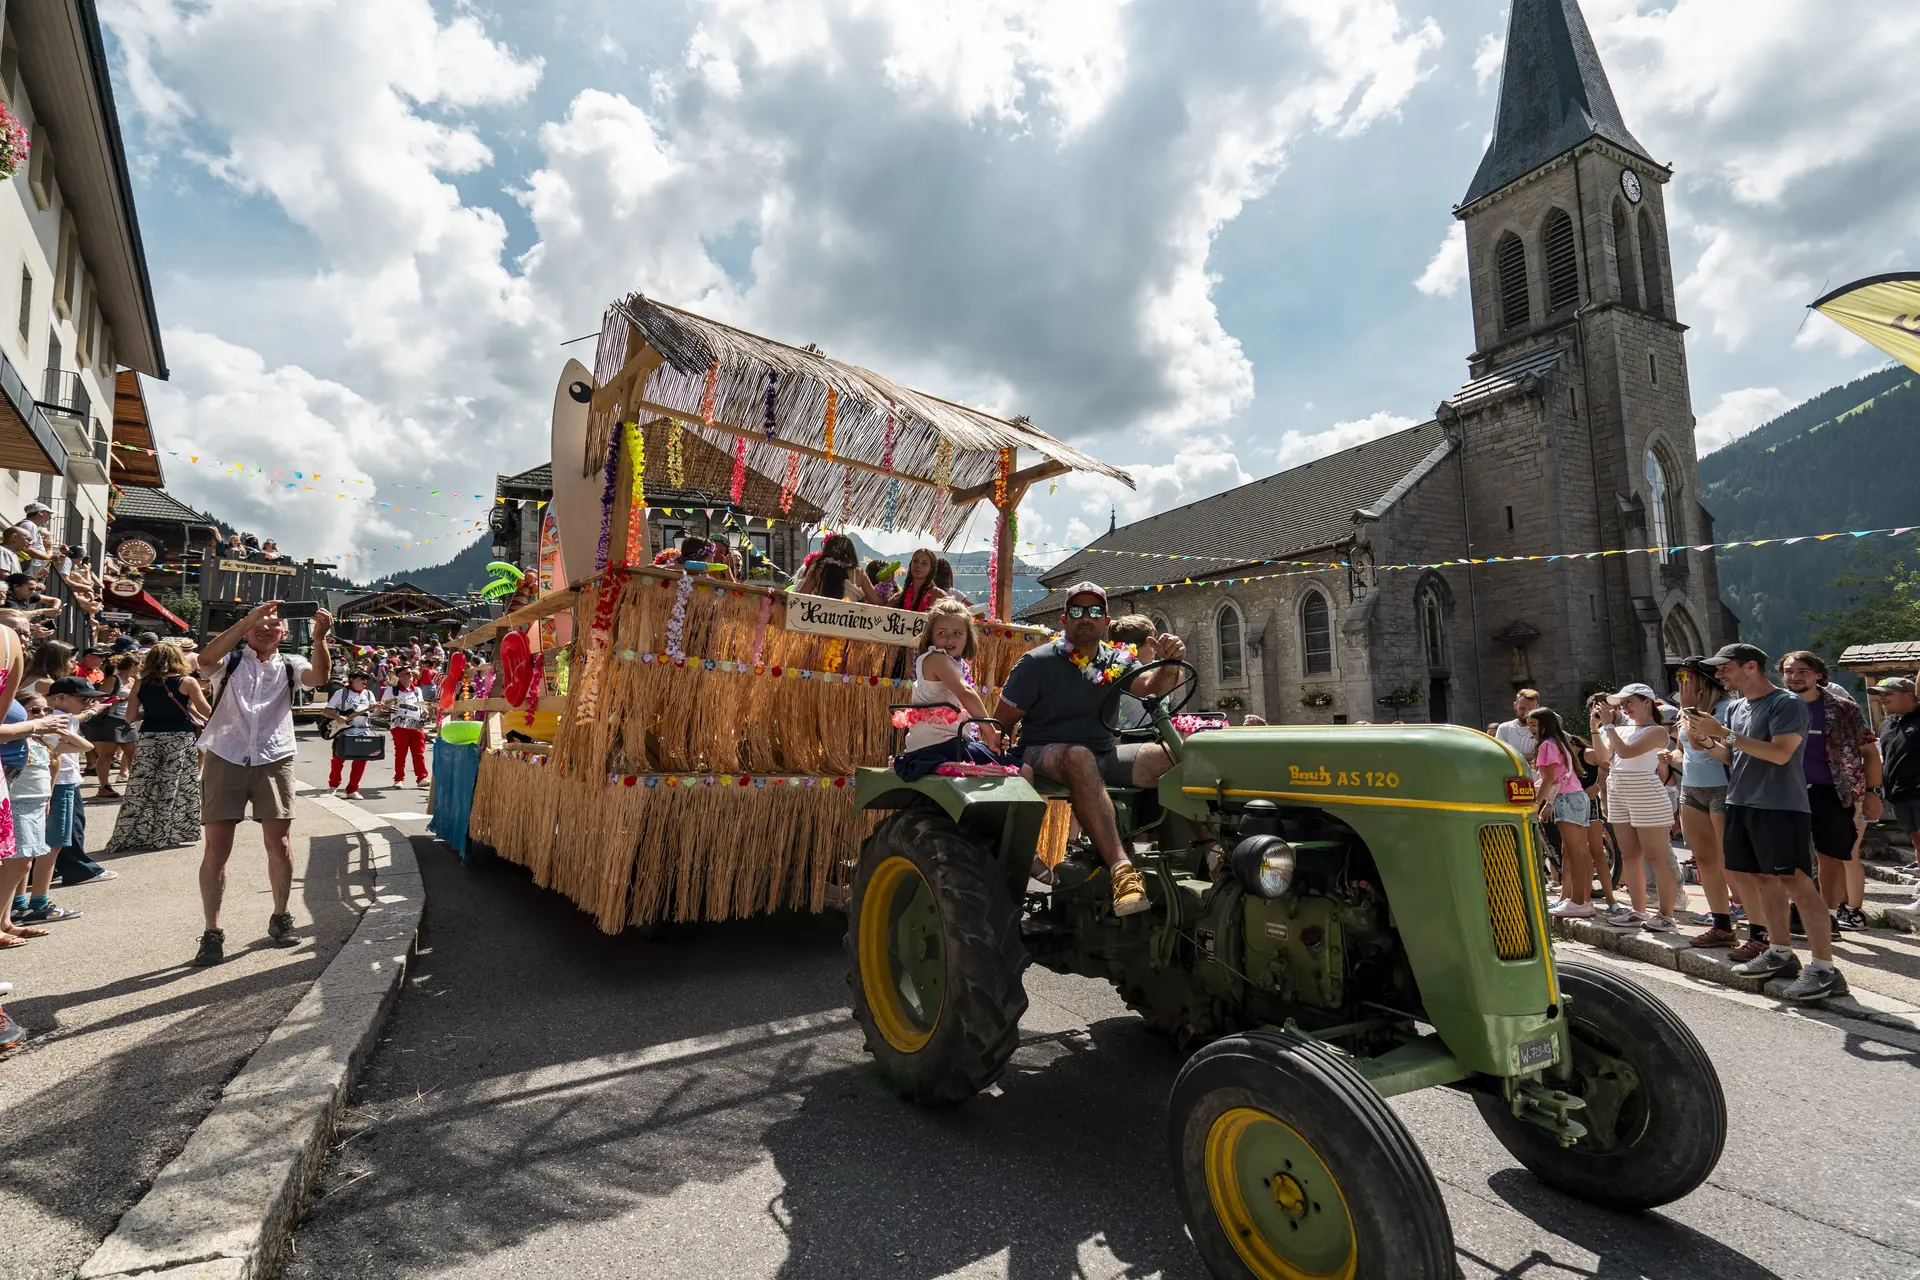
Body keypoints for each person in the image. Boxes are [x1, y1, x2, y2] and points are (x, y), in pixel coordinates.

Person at [991, 583, 1188, 916]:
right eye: (1078, 611)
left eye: (1094, 611)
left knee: (1176, 756)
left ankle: (1205, 854)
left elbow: (1150, 689)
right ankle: (1123, 872)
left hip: (1103, 754)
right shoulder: (1036, 663)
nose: (1086, 617)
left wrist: (1170, 664)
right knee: (1078, 755)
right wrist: (1003, 768)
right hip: (1042, 752)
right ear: (1064, 619)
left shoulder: (1118, 661)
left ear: (1105, 621)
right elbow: (999, 723)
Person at [1690, 642, 1841, 999]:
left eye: (1725, 667)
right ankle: (1781, 953)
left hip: (1780, 806)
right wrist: (1708, 740)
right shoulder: (1740, 707)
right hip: (1742, 801)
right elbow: (1733, 756)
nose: (1719, 674)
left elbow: (1780, 752)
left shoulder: (1785, 703)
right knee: (1761, 881)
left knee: (1798, 883)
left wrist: (1722, 733)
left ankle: (1824, 969)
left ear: (1751, 667)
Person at [188, 600, 333, 966]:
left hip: (275, 756)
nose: (265, 629)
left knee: (279, 843)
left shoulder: (291, 664)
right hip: (226, 754)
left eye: (274, 625)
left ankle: (281, 915)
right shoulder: (232, 660)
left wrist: (319, 638)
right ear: (249, 628)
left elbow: (320, 679)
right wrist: (244, 622)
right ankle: (212, 930)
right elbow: (205, 662)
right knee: (216, 850)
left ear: (285, 633)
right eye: (259, 624)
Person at [1779, 651, 1881, 933]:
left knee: (1831, 856)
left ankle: (1827, 914)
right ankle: (1799, 909)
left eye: (1803, 671)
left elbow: (1870, 752)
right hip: (1786, 790)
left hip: (1834, 791)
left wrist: (1872, 792)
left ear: (1818, 675)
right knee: (1790, 854)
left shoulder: (1844, 708)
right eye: (1789, 671)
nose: (1795, 677)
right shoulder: (1776, 706)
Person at [1589, 683, 1682, 932]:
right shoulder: (1624, 728)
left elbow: (1628, 753)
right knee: (1630, 855)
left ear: (1647, 702)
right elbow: (1605, 758)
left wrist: (1609, 726)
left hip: (1644, 790)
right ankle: (1638, 911)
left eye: (1630, 702)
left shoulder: (1657, 731)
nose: (1624, 707)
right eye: (1623, 702)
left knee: (1656, 856)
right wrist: (1595, 730)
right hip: (1619, 787)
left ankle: (1666, 915)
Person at [103, 643, 210, 855]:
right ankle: (168, 833)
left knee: (142, 787)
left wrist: (154, 713)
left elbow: (130, 717)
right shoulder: (187, 681)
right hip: (179, 739)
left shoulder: (141, 683)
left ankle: (130, 833)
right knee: (175, 786)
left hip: (149, 738)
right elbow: (207, 711)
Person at [893, 600, 1001, 780]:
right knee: (1023, 769)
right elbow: (965, 692)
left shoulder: (955, 665)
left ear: (967, 638)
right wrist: (990, 732)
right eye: (942, 633)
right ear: (931, 637)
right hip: (942, 746)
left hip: (944, 743)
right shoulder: (936, 658)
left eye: (957, 633)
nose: (949, 639)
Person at [1674, 658, 1741, 948]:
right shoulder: (1684, 711)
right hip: (1692, 787)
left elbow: (1701, 742)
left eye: (1686, 678)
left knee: (1731, 859)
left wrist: (1690, 710)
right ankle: (1722, 924)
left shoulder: (1727, 709)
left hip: (1723, 787)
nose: (1680, 684)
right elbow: (1684, 749)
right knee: (1704, 860)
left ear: (1702, 682)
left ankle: (1758, 922)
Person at [42, 676, 113, 893]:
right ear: (60, 698)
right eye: (83, 698)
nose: (88, 703)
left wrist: (94, 709)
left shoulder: (64, 717)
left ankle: (51, 869)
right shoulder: (58, 719)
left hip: (64, 779)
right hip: (60, 781)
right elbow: (81, 726)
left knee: (68, 826)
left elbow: (83, 716)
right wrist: (95, 710)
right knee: (68, 829)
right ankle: (78, 869)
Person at [1531, 708, 1598, 917]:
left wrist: (1536, 802)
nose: (1530, 729)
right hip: (1578, 796)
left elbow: (1550, 777)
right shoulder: (1561, 744)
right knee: (1578, 851)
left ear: (1544, 725)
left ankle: (1578, 902)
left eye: (1533, 725)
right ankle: (1581, 900)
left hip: (1566, 799)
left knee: (1574, 852)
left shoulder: (1546, 745)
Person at [1872, 677, 1920, 880]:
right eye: (1880, 695)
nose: (1883, 699)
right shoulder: (1888, 723)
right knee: (1917, 842)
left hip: (1917, 794)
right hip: (1897, 795)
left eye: (1888, 693)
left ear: (1909, 694)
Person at [84, 652, 140, 797]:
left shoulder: (134, 681)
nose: (141, 668)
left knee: (133, 753)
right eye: (139, 665)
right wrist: (121, 700)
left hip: (127, 720)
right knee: (107, 755)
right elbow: (100, 699)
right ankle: (104, 786)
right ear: (132, 665)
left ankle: (137, 784)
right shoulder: (113, 679)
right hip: (111, 720)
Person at [326, 670, 378, 798]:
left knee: (360, 762)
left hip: (363, 731)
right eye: (361, 678)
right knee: (338, 760)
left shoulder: (369, 694)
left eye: (366, 679)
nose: (365, 681)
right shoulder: (341, 693)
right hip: (344, 731)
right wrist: (338, 717)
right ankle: (333, 786)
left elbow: (374, 712)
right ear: (352, 679)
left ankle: (352, 789)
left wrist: (379, 709)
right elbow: (326, 711)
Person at [795, 534, 884, 603]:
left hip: (819, 621)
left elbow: (799, 597)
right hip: (849, 623)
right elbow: (876, 602)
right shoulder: (858, 574)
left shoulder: (817, 569)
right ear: (851, 552)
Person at [383, 667, 430, 788]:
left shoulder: (417, 690)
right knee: (401, 753)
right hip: (399, 725)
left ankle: (422, 778)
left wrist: (425, 711)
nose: (411, 675)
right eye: (407, 673)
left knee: (419, 752)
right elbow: (384, 706)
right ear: (400, 676)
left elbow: (421, 705)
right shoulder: (391, 691)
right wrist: (388, 708)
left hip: (416, 724)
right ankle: (398, 779)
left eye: (411, 673)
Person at [1493, 688, 1541, 764]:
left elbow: (1541, 756)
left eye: (1531, 709)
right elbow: (1500, 756)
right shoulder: (1504, 728)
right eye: (1522, 708)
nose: (1526, 712)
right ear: (1515, 705)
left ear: (1537, 708)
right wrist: (1528, 757)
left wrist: (1512, 756)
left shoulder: (1542, 729)